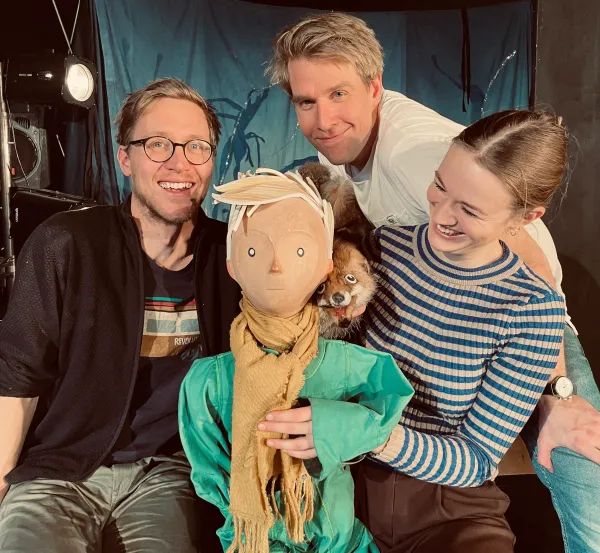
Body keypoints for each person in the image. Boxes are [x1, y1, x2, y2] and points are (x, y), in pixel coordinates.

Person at [265, 12, 600, 552]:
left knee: (581, 463)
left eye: (338, 94)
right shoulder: (391, 240)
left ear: (374, 87)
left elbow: (534, 275)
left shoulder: (412, 152)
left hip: (447, 495)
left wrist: (557, 391)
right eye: (306, 101)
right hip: (351, 490)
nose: (322, 118)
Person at [0, 78, 240, 552]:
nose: (179, 163)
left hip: (168, 475)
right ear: (125, 158)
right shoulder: (65, 243)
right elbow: (18, 375)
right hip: (59, 470)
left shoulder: (234, 258)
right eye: (158, 144)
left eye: (196, 146)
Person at [354, 108, 566, 552]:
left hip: (447, 509)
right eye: (440, 186)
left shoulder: (532, 311)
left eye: (469, 209)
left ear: (525, 218)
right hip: (342, 487)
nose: (442, 215)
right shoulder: (382, 250)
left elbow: (477, 458)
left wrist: (371, 433)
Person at [178, 169, 414, 553]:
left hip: (340, 541)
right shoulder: (210, 380)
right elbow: (208, 467)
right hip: (253, 540)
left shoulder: (345, 363)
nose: (276, 265)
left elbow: (387, 401)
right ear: (233, 265)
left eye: (299, 251)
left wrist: (333, 427)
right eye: (254, 251)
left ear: (325, 265)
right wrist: (247, 505)